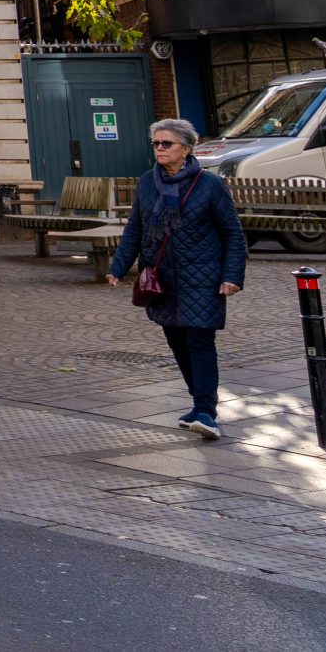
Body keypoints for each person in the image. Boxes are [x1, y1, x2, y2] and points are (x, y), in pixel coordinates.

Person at [108, 118, 248, 441]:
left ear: (186, 149)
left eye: (166, 143)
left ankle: (206, 411)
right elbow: (135, 228)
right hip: (163, 279)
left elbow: (232, 233)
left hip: (203, 276)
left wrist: (232, 276)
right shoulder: (147, 183)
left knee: (199, 339)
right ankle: (198, 403)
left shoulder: (209, 185)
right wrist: (118, 267)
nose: (159, 148)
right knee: (176, 340)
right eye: (156, 143)